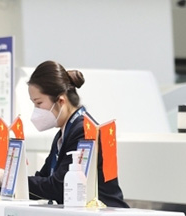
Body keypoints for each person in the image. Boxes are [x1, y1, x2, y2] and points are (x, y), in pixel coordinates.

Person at [26, 60, 127, 207]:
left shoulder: (84, 131)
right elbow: (44, 179)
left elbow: (60, 186)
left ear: (61, 100)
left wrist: (7, 179)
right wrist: (4, 180)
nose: (36, 110)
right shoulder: (63, 134)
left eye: (39, 103)